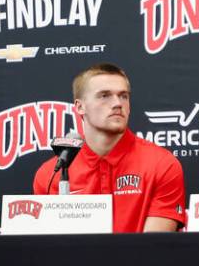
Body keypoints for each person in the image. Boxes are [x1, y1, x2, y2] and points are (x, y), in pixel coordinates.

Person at [32, 63, 185, 232]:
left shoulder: (161, 164)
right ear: (79, 107)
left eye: (123, 96)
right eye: (104, 96)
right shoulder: (50, 175)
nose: (118, 103)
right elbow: (50, 248)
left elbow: (154, 249)